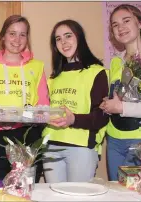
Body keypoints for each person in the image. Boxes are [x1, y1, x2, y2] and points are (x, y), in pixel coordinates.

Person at [0, 15, 49, 181]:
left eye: (23, 34)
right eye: (12, 33)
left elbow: (44, 105)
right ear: (2, 36)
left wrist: (32, 115)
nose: (17, 39)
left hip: (28, 135)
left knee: (27, 188)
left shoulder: (37, 67)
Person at [42, 19, 109, 183]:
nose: (63, 42)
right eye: (58, 39)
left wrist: (73, 119)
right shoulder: (53, 78)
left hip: (81, 148)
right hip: (51, 147)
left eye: (68, 36)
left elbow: (101, 117)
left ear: (79, 37)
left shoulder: (97, 73)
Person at [99, 4, 141, 181]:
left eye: (126, 21)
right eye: (115, 24)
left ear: (140, 23)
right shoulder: (115, 62)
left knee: (134, 194)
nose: (120, 27)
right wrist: (108, 104)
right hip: (114, 139)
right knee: (117, 192)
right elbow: (117, 97)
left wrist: (121, 107)